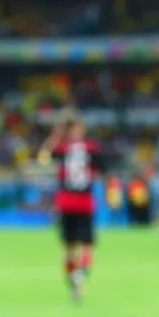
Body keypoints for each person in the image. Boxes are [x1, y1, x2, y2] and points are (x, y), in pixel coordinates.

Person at [40, 111, 103, 303]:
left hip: (66, 201)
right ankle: (80, 277)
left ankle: (74, 284)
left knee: (69, 248)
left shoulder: (62, 149)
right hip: (84, 202)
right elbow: (101, 171)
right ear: (81, 130)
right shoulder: (91, 148)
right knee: (87, 245)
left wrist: (56, 133)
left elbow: (43, 157)